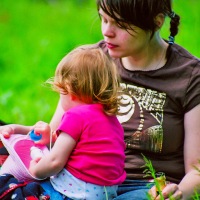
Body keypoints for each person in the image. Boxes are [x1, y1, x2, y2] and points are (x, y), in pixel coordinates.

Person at [1, 0, 200, 199]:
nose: (107, 31)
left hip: (144, 186)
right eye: (103, 19)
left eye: (120, 25)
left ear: (157, 22)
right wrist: (29, 134)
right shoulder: (89, 64)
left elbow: (196, 169)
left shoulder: (189, 76)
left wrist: (179, 194)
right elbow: (55, 137)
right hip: (75, 179)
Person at [0, 45, 126, 200]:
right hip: (105, 194)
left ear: (71, 91)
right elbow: (82, 151)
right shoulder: (111, 120)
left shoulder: (75, 116)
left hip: (72, 194)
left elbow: (54, 162)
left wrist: (36, 169)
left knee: (9, 188)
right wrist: (50, 138)